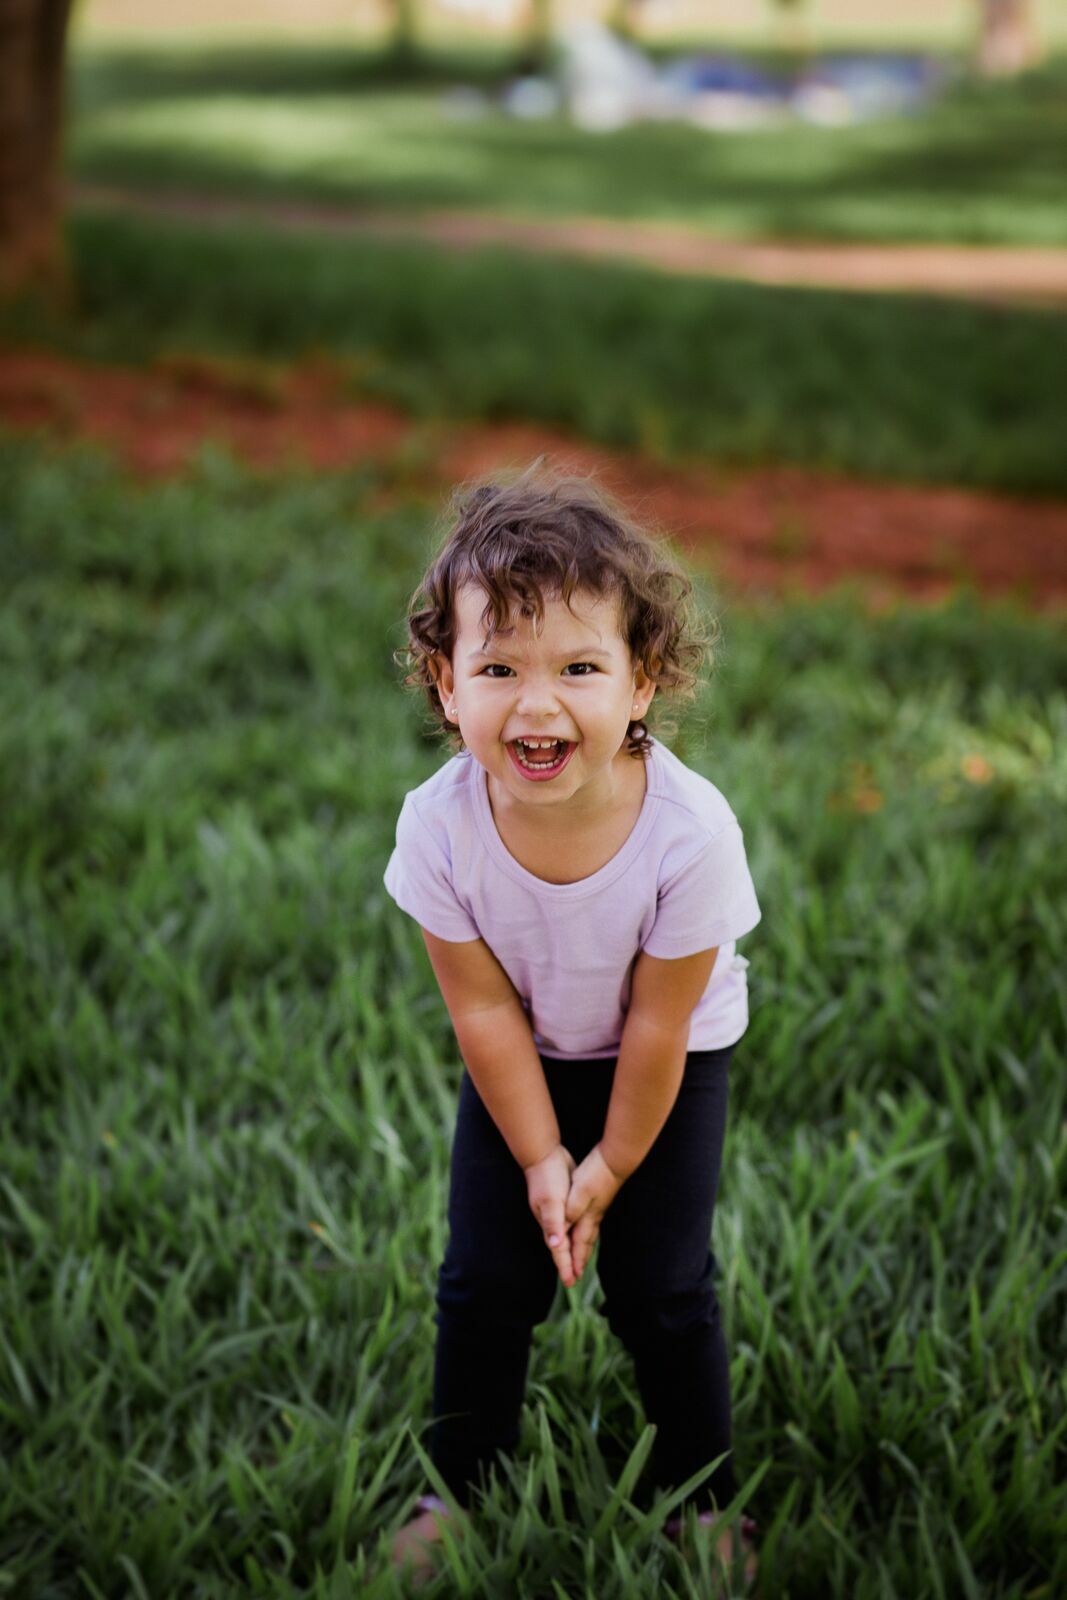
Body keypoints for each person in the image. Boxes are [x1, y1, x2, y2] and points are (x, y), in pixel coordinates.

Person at [382, 467, 762, 1590]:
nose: (536, 705)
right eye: (498, 667)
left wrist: (607, 1168)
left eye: (579, 668)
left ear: (642, 682)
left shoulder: (690, 837)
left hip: (668, 1059)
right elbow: (482, 1005)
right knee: (483, 1281)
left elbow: (656, 1023)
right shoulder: (437, 828)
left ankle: (700, 1499)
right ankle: (456, 1484)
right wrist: (543, 1155)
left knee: (661, 1287)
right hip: (523, 1054)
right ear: (446, 685)